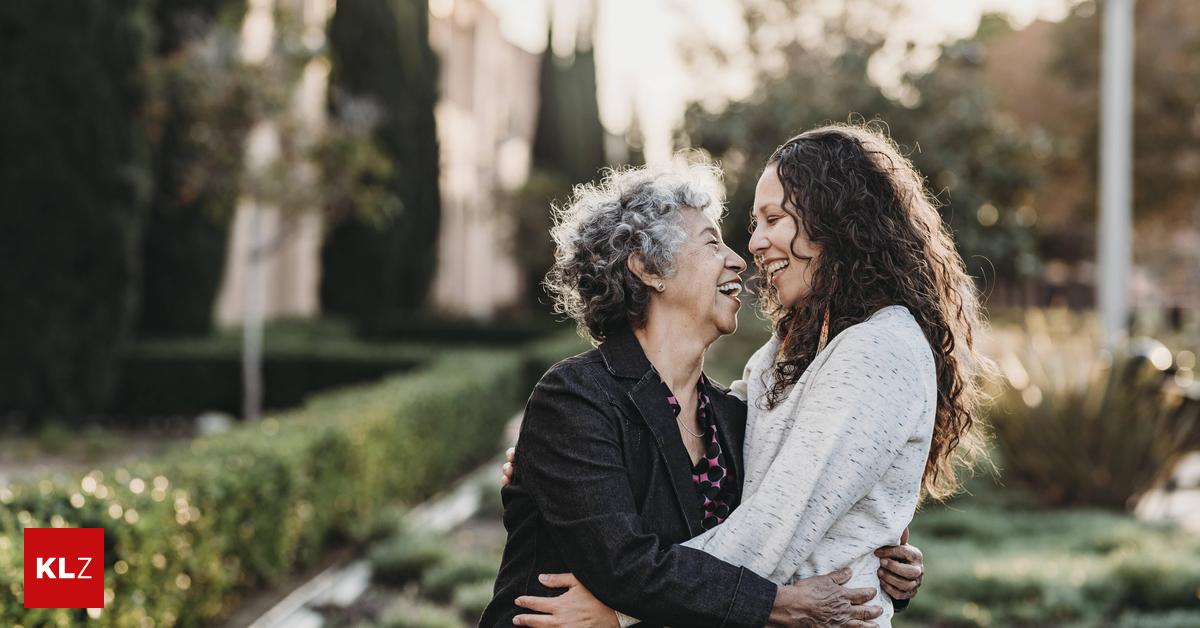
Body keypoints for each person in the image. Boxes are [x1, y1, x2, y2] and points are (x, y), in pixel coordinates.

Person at [480, 154, 929, 628]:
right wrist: (780, 605)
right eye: (712, 242)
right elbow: (623, 565)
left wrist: (883, 557)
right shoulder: (577, 398)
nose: (740, 258)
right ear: (649, 268)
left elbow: (784, 523)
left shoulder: (734, 418)